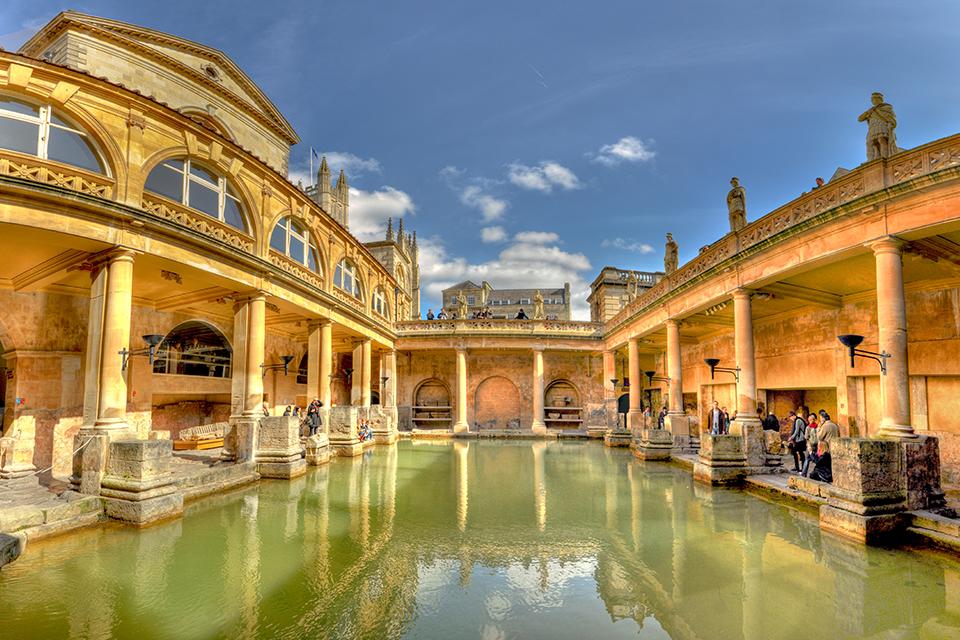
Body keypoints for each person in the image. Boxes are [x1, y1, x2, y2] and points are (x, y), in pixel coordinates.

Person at [810, 410, 840, 483]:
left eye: (820, 418)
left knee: (824, 464)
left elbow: (819, 437)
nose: (820, 420)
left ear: (823, 418)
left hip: (826, 447)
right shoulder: (835, 425)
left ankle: (825, 476)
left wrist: (819, 428)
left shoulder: (825, 426)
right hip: (834, 446)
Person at [801, 412, 819, 477]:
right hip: (814, 445)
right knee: (812, 459)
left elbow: (806, 437)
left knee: (808, 459)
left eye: (811, 420)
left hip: (813, 445)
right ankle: (806, 473)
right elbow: (807, 438)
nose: (810, 421)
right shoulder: (815, 427)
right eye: (810, 420)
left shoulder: (810, 427)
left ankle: (804, 473)